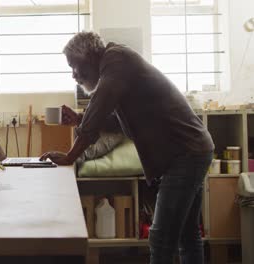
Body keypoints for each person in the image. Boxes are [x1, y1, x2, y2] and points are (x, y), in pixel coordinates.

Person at [39, 31, 214, 263]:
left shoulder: (116, 60)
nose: (73, 75)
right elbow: (117, 122)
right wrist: (81, 119)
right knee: (187, 233)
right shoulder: (117, 66)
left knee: (161, 238)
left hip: (185, 153)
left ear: (89, 57)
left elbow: (99, 107)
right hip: (191, 149)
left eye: (75, 67)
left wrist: (71, 155)